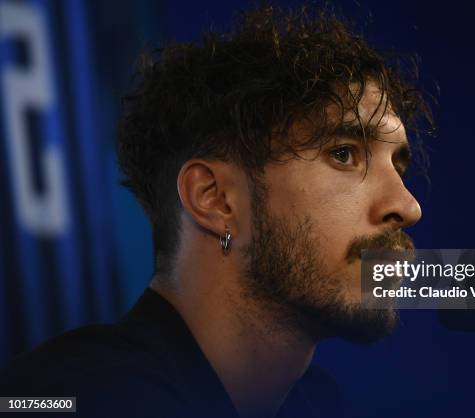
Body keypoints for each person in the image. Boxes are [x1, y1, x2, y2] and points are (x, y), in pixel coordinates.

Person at [0, 4, 430, 417]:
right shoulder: (78, 395)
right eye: (343, 153)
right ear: (215, 198)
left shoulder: (314, 402)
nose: (408, 207)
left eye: (398, 165)